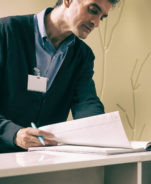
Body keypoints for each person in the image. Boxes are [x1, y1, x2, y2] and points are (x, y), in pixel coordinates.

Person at [0, 0, 120, 153]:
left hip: (44, 160)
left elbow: (86, 102)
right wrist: (13, 134)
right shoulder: (5, 32)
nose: (96, 23)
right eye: (93, 10)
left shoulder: (83, 55)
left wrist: (103, 131)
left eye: (102, 17)